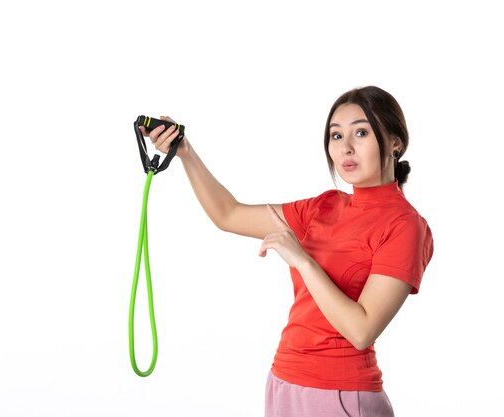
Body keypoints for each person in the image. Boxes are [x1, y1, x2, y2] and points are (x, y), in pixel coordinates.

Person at [140, 86, 434, 417]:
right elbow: (228, 214)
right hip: (284, 382)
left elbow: (361, 331)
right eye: (336, 136)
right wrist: (186, 152)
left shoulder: (405, 225)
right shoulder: (323, 207)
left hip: (342, 395)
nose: (346, 148)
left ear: (396, 142)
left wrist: (303, 261)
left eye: (361, 132)